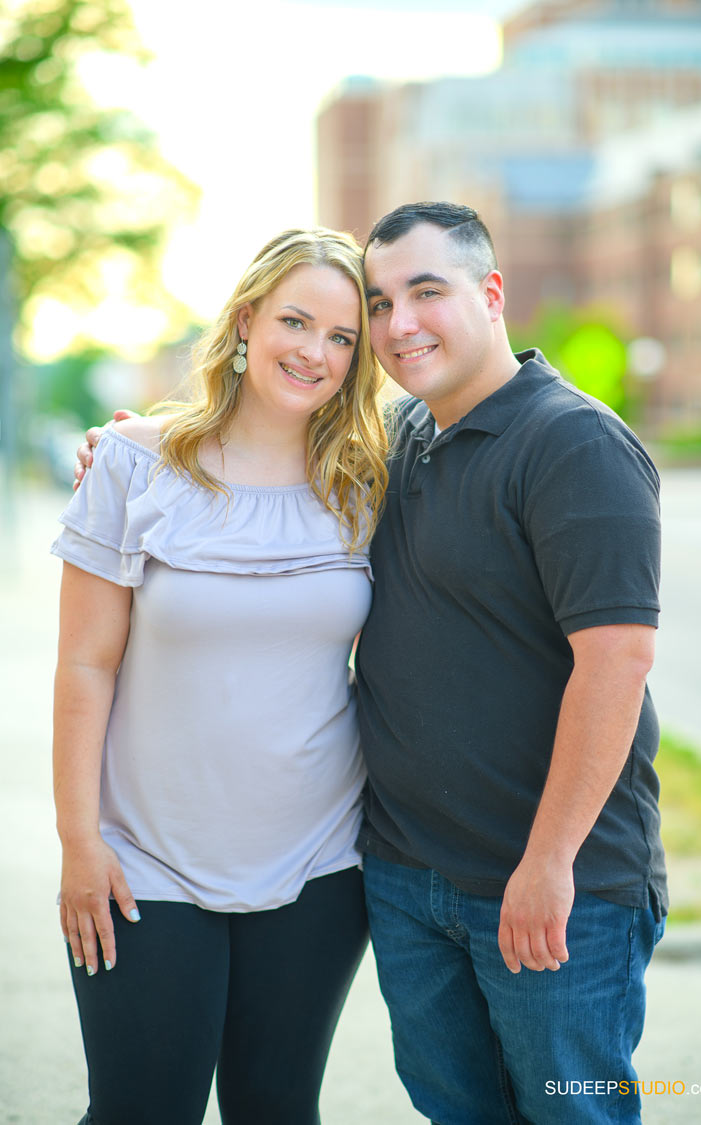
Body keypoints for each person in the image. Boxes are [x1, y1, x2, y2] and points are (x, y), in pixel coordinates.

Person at [76, 201, 667, 1125]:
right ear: (247, 321)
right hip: (405, 875)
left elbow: (620, 660)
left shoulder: (570, 442)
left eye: (423, 294)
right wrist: (130, 448)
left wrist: (551, 863)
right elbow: (218, 482)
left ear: (492, 293)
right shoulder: (392, 452)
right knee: (459, 1109)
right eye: (379, 306)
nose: (397, 327)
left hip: (547, 884)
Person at [52, 226, 388, 1125]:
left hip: (320, 861)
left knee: (276, 1108)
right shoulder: (132, 464)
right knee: (140, 1108)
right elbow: (84, 664)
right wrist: (80, 844)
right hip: (144, 861)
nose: (315, 351)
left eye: (343, 336)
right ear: (246, 321)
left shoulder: (368, 482)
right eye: (295, 320)